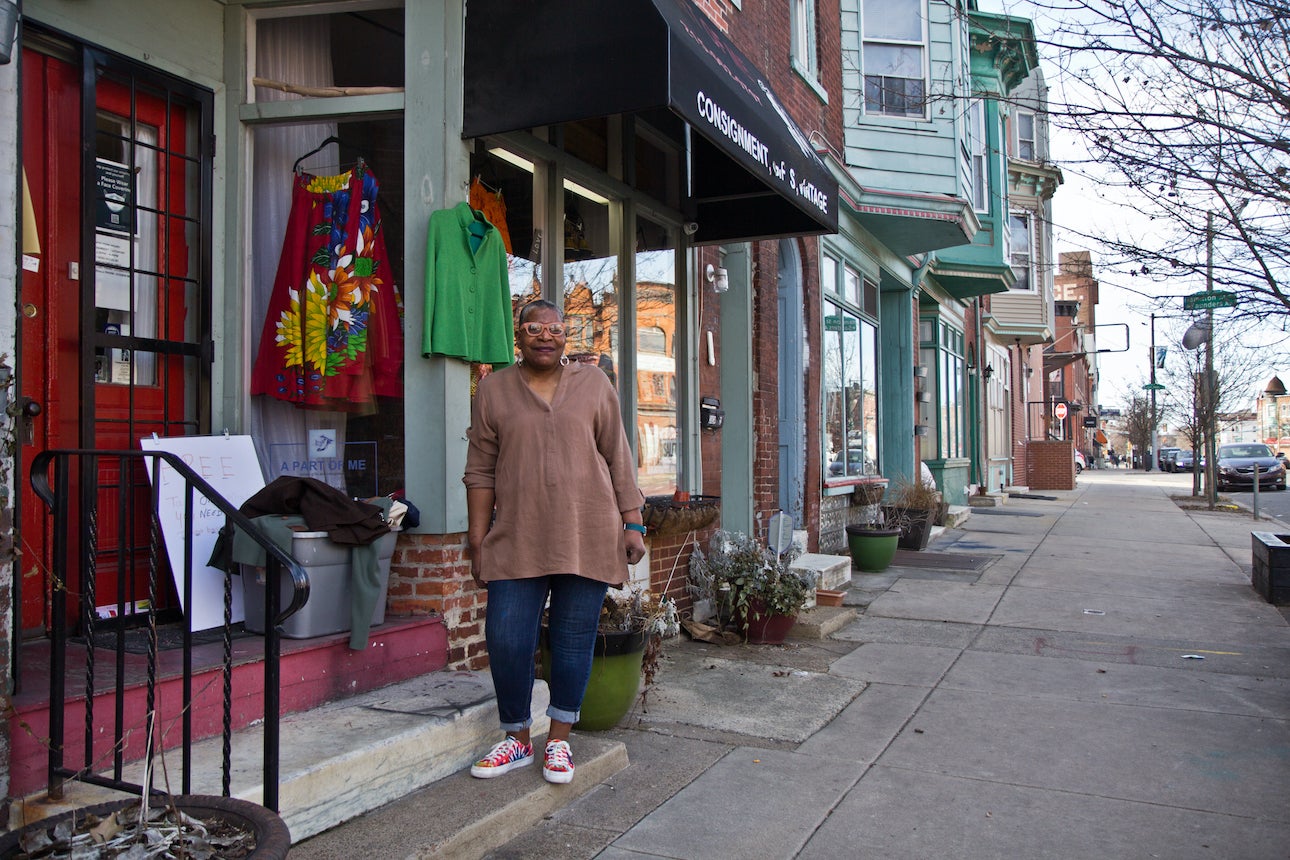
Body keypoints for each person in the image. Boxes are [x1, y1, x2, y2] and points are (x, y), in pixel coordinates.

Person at [463, 299, 647, 784]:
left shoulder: (594, 385)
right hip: (516, 536)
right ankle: (517, 740)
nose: (544, 335)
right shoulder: (493, 390)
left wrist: (634, 522)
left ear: (566, 336)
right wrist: (477, 538)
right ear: (517, 336)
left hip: (587, 533)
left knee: (570, 640)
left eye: (554, 328)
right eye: (533, 328)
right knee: (506, 638)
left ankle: (560, 741)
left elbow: (618, 455)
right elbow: (479, 471)